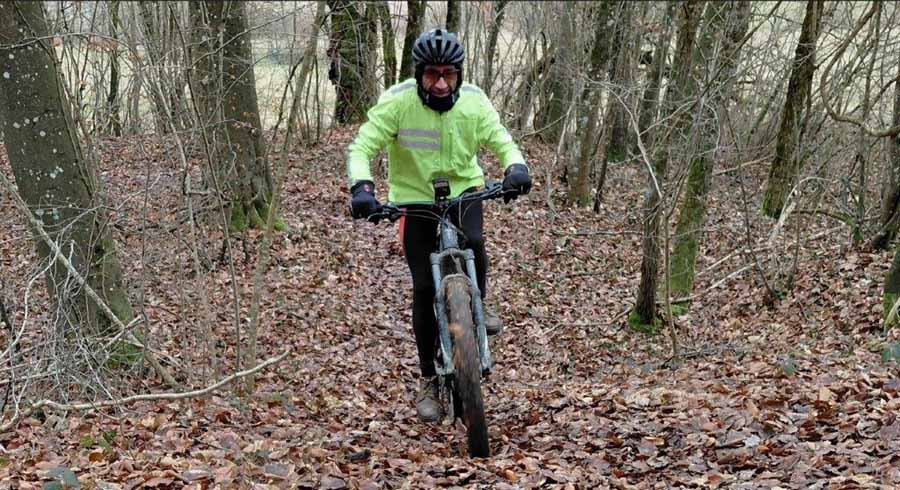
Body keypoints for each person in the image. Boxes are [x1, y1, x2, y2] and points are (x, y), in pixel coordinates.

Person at [346, 28, 532, 422]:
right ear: (419, 74)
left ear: (459, 73)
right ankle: (429, 378)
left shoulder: (474, 101)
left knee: (475, 242)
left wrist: (515, 166)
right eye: (432, 74)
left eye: (449, 74)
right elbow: (363, 144)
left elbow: (501, 139)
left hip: (464, 191)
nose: (442, 83)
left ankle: (478, 302)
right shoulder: (398, 102)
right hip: (414, 199)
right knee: (424, 288)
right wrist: (362, 187)